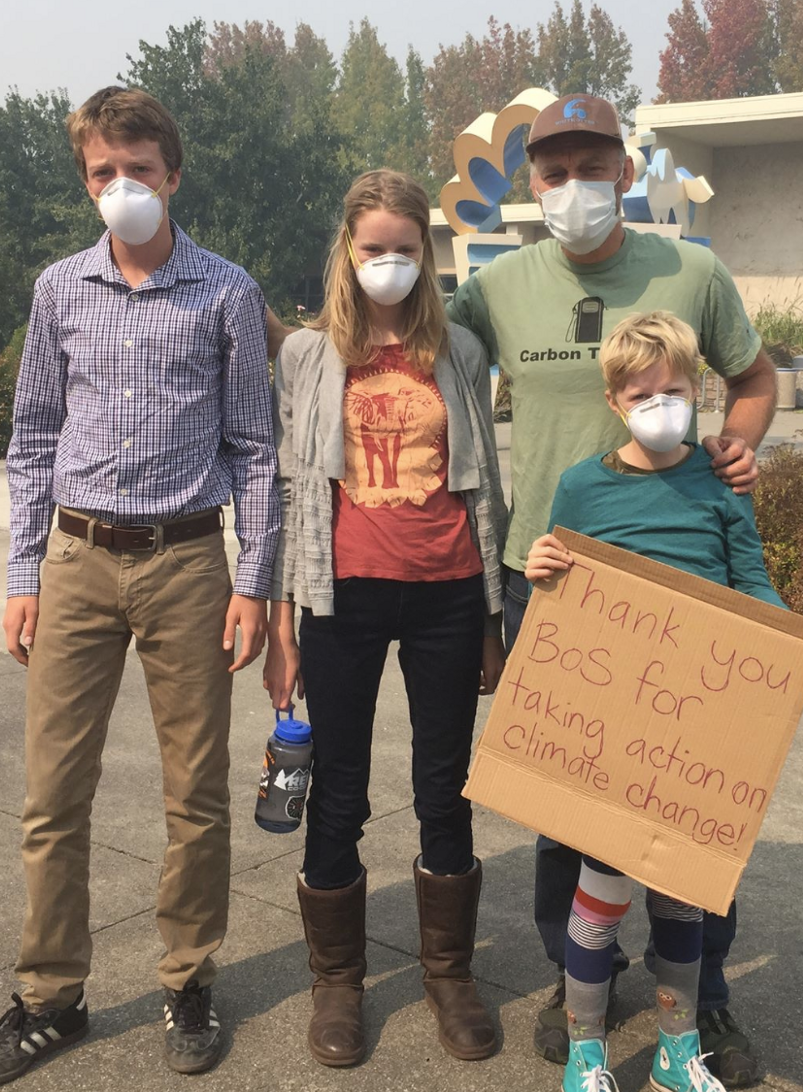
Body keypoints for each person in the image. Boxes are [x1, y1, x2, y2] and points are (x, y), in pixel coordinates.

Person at [445, 92, 782, 1086]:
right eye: (553, 171)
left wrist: (735, 448)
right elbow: (424, 354)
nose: (573, 186)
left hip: (683, 579)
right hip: (553, 568)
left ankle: (705, 999)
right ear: (529, 183)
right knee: (570, 787)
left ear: (625, 174)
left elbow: (754, 380)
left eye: (593, 166)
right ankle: (574, 977)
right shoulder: (496, 287)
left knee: (698, 796)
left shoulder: (693, 270)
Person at [0, 86, 279, 1088]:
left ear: (172, 174)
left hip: (187, 563)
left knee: (197, 794)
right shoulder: (60, 289)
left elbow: (256, 447)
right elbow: (33, 438)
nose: (122, 186)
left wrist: (253, 578)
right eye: (103, 171)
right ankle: (51, 994)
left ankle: (187, 975)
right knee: (53, 795)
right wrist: (22, 571)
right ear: (84, 179)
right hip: (78, 562)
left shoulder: (225, 291)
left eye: (139, 168)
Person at [524, 310, 803, 1092]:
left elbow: (749, 579)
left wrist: (789, 641)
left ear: (696, 389)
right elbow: (561, 600)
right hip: (611, 728)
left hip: (696, 730)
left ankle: (675, 1048)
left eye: (674, 389)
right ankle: (587, 1053)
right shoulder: (583, 485)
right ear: (614, 399)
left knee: (684, 900)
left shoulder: (720, 482)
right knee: (597, 890)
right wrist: (539, 568)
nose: (659, 402)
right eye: (641, 392)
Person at [262, 168, 509, 1068]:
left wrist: (489, 618)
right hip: (343, 596)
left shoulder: (463, 352)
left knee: (445, 788)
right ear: (348, 250)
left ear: (428, 256)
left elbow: (485, 485)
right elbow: (294, 493)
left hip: (447, 589)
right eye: (375, 249)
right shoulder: (309, 355)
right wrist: (285, 628)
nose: (390, 264)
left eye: (407, 250)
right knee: (339, 788)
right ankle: (339, 980)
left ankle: (449, 974)